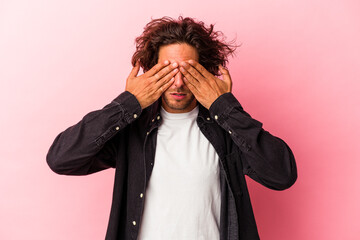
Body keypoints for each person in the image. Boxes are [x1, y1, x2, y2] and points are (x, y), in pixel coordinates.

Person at [47, 16, 297, 240]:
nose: (178, 83)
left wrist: (225, 107)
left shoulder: (225, 131)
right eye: (167, 71)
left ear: (206, 73)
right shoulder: (133, 130)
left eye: (187, 71)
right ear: (150, 72)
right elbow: (61, 159)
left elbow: (282, 175)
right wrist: (128, 103)